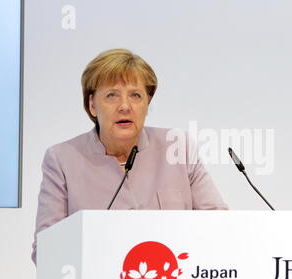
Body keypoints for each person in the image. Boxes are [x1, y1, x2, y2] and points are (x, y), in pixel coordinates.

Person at [31, 48, 228, 264]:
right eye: (112, 95)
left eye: (135, 95)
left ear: (146, 104)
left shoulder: (178, 147)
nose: (125, 106)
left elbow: (218, 226)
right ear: (92, 105)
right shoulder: (62, 160)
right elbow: (46, 251)